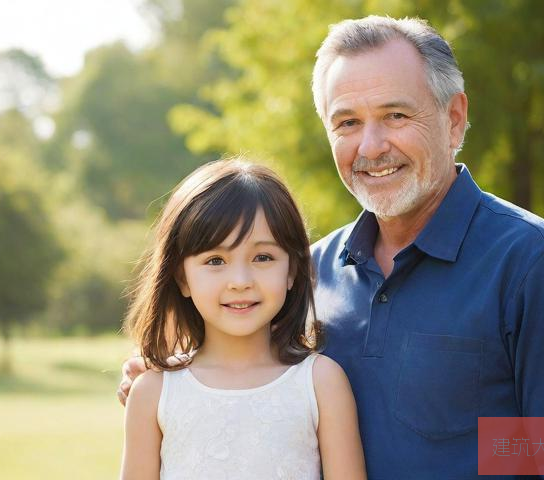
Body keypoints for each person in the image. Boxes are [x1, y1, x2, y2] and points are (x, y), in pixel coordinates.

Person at [120, 16, 544, 478]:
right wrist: (170, 380)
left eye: (395, 115)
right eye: (347, 122)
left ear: (454, 119)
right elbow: (248, 381)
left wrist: (474, 445)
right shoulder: (309, 272)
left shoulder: (532, 262)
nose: (371, 147)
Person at [119, 158, 366, 480]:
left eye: (263, 257)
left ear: (292, 269)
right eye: (215, 260)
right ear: (181, 277)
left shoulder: (322, 383)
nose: (240, 280)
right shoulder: (153, 392)